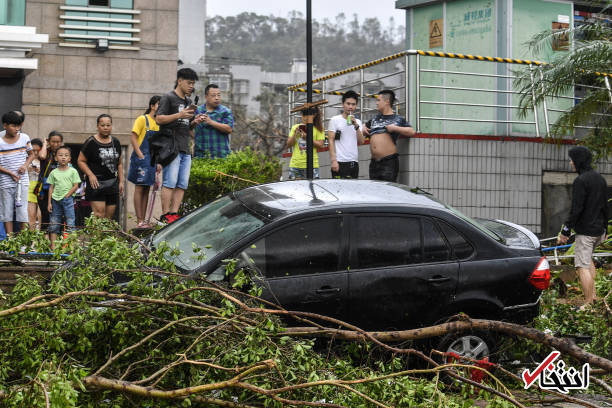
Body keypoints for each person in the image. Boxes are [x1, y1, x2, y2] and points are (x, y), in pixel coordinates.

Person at [557, 146, 609, 311]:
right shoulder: (600, 179)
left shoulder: (581, 181)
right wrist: (606, 229)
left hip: (586, 232)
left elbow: (576, 209)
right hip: (599, 231)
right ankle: (593, 298)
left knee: (581, 266)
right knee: (588, 261)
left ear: (578, 160)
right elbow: (605, 206)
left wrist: (565, 231)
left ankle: (587, 304)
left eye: (572, 159)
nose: (570, 162)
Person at [155, 68, 198, 224]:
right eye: (189, 83)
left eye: (193, 84)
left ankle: (174, 213)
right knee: (170, 182)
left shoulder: (188, 102)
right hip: (171, 148)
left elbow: (186, 126)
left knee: (182, 184)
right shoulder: (168, 97)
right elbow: (159, 119)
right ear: (180, 81)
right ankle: (165, 215)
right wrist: (180, 114)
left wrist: (194, 121)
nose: (191, 86)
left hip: (185, 147)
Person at [363, 90, 415, 182]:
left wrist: (395, 128)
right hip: (374, 163)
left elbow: (411, 131)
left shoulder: (397, 119)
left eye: (378, 100)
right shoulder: (375, 119)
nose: (376, 103)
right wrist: (363, 127)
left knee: (388, 188)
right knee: (374, 189)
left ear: (387, 101)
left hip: (388, 162)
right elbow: (364, 128)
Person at [78, 114, 124, 219]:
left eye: (108, 125)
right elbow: (80, 161)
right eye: (102, 125)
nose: (105, 127)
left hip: (112, 183)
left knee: (109, 218)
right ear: (98, 126)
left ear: (111, 126)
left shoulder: (116, 142)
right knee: (99, 215)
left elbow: (120, 163)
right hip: (96, 183)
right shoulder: (91, 142)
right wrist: (90, 175)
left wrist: (121, 181)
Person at [128, 95, 161, 228]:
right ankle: (139, 220)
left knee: (147, 188)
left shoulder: (159, 124)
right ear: (152, 106)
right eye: (159, 104)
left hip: (153, 160)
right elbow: (133, 137)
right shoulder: (143, 119)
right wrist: (140, 155)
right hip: (141, 158)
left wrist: (158, 162)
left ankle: (144, 221)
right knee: (140, 187)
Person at [0, 111, 34, 234]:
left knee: (22, 211)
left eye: (18, 126)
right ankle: (10, 240)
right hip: (5, 182)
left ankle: (23, 240)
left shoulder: (24, 138)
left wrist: (25, 165)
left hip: (22, 181)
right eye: (13, 126)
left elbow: (31, 154)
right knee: (6, 211)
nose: (17, 128)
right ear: (5, 125)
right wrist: (10, 173)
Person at [47, 146, 81, 249]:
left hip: (68, 200)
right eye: (60, 155)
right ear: (56, 158)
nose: (63, 157)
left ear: (69, 158)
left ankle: (71, 247)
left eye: (66, 155)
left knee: (70, 222)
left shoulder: (73, 171)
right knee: (54, 222)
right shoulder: (53, 172)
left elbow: (76, 185)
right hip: (55, 200)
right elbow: (51, 188)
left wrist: (68, 195)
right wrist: (49, 203)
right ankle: (53, 246)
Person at [328, 90, 365, 179]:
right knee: (338, 187)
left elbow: (361, 141)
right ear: (343, 104)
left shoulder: (358, 122)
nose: (350, 107)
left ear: (356, 106)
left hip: (353, 162)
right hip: (339, 162)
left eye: (353, 104)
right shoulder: (335, 120)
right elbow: (330, 140)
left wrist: (356, 125)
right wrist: (334, 161)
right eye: (348, 104)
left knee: (353, 187)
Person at [193, 84, 234, 159]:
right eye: (213, 95)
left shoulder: (225, 111)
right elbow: (189, 128)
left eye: (219, 95)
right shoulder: (197, 111)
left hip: (221, 156)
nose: (217, 98)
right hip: (200, 155)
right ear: (206, 96)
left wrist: (210, 122)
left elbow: (229, 129)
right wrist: (196, 138)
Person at [35, 131, 63, 234]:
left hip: (59, 188)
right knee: (45, 215)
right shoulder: (46, 152)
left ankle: (57, 239)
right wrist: (44, 143)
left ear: (61, 142)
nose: (55, 144)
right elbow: (42, 156)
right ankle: (44, 239)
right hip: (44, 189)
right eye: (53, 142)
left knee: (58, 216)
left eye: (58, 142)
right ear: (49, 141)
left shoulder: (63, 153)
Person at [286, 107, 325, 180]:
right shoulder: (295, 127)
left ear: (314, 115)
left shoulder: (318, 128)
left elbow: (320, 145)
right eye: (303, 115)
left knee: (312, 186)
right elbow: (288, 145)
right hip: (296, 165)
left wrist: (307, 138)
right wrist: (295, 134)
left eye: (308, 115)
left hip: (312, 165)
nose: (305, 118)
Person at [27, 138, 43, 229]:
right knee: (31, 214)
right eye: (33, 150)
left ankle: (40, 235)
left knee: (40, 215)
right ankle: (31, 235)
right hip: (29, 186)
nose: (36, 153)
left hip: (40, 187)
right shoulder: (26, 160)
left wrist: (40, 171)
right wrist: (27, 170)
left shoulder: (43, 160)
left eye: (38, 150)